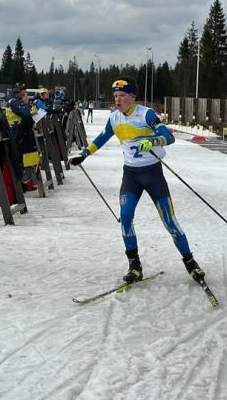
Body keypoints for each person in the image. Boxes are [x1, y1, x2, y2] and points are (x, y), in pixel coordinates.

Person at [69, 76, 205, 285]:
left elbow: (168, 137)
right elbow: (102, 138)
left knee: (169, 221)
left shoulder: (146, 114)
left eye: (122, 96)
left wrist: (151, 141)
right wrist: (84, 153)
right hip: (131, 176)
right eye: (115, 96)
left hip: (153, 174)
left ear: (133, 97)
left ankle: (190, 262)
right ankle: (135, 266)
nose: (118, 100)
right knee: (125, 217)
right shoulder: (115, 118)